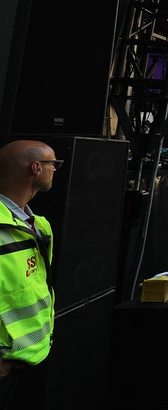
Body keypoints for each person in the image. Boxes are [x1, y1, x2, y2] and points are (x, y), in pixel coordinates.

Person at [0, 141, 58, 406]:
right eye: (53, 164)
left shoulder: (37, 226)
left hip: (31, 356)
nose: (55, 170)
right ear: (36, 168)